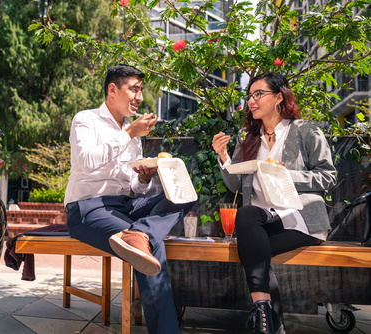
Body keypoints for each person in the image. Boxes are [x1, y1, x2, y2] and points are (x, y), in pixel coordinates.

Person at [64, 64, 196, 333]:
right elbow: (88, 162)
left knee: (184, 194)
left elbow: (133, 186)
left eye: (140, 90)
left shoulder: (132, 132)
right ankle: (143, 238)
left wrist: (145, 178)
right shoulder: (85, 120)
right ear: (113, 89)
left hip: (124, 206)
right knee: (150, 245)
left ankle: (141, 234)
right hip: (88, 207)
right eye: (133, 89)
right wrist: (127, 134)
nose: (139, 96)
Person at [212, 72, 336, 334]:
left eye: (259, 94)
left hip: (298, 220)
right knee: (249, 219)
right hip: (259, 223)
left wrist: (283, 174)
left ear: (279, 97)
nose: (251, 101)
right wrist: (224, 157)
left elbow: (328, 176)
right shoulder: (248, 140)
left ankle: (265, 317)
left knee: (253, 249)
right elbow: (234, 185)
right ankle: (268, 321)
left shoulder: (305, 130)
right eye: (249, 96)